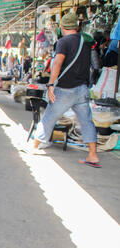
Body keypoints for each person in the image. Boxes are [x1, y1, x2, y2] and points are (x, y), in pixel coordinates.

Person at [27, 13, 101, 168]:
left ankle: (33, 148)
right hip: (82, 89)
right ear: (77, 26)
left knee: (48, 118)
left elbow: (57, 63)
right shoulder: (86, 42)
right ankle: (93, 155)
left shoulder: (63, 42)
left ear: (62, 27)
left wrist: (51, 85)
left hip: (65, 89)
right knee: (87, 122)